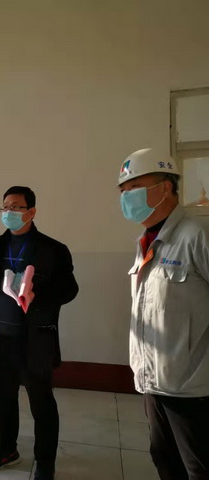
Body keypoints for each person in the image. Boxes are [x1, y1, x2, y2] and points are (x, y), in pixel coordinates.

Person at [0, 186, 78, 480]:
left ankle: (45, 460)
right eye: (5, 207)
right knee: (3, 398)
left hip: (34, 339)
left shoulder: (53, 249)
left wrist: (37, 294)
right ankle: (7, 449)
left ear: (31, 212)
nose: (9, 212)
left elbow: (70, 289)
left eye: (16, 207)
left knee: (41, 402)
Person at [117, 148, 209, 480]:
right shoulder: (146, 241)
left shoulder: (196, 235)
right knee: (164, 460)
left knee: (198, 467)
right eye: (123, 190)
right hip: (153, 382)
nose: (126, 197)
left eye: (134, 187)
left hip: (193, 388)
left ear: (166, 187)